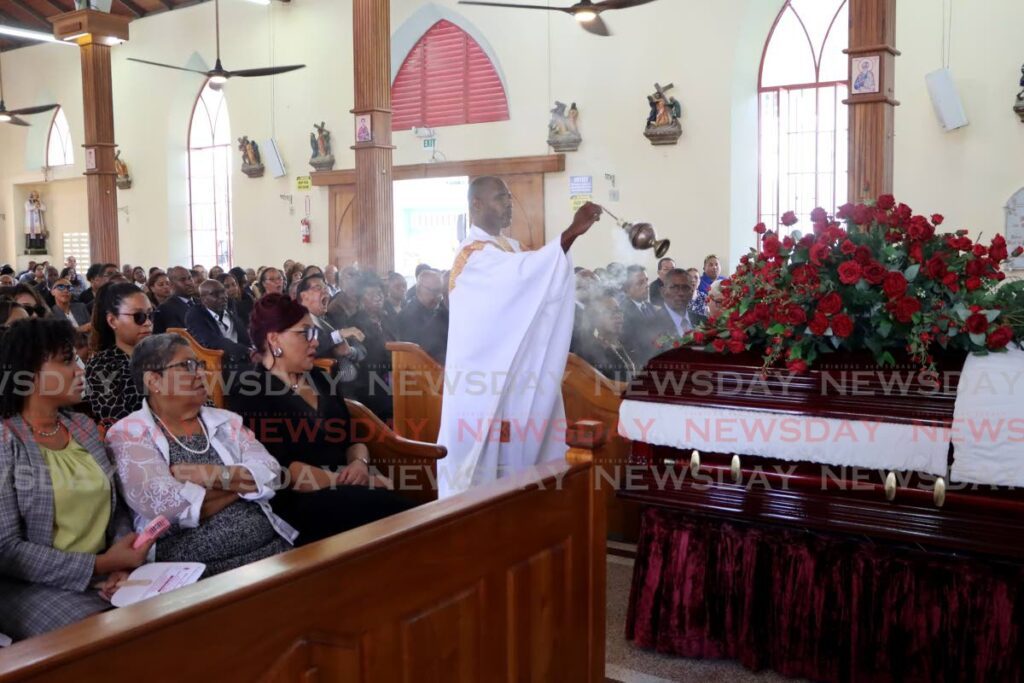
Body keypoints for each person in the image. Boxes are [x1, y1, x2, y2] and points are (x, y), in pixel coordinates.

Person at [436, 176, 601, 498]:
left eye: (509, 197)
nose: (509, 203)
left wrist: (563, 245)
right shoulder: (472, 255)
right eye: (500, 198)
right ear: (476, 205)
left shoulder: (510, 248)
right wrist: (569, 234)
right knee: (481, 476)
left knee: (518, 470)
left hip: (514, 377)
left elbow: (540, 282)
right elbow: (526, 276)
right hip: (481, 383)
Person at [0, 319, 153, 641]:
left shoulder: (82, 426)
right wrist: (98, 565)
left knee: (175, 615)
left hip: (108, 572)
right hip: (32, 586)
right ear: (29, 372)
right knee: (109, 640)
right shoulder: (6, 442)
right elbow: (7, 550)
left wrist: (120, 560)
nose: (81, 369)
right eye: (68, 360)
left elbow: (117, 505)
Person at [227, 295, 413, 545]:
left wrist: (359, 463)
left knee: (409, 512)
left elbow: (352, 439)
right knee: (397, 514)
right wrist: (359, 482)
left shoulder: (319, 377)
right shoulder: (250, 391)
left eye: (315, 332)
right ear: (274, 339)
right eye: (305, 333)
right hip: (300, 498)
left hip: (348, 483)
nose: (316, 341)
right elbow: (281, 470)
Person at [107, 334, 296, 576]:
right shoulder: (128, 434)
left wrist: (209, 474)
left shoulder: (226, 421)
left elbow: (271, 473)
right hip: (197, 574)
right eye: (186, 366)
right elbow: (168, 510)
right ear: (154, 381)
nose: (200, 373)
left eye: (199, 364)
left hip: (271, 549)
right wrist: (241, 485)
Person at [85, 283, 154, 429]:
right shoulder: (102, 365)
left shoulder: (165, 355)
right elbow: (118, 422)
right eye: (139, 317)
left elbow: (203, 403)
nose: (148, 323)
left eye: (150, 315)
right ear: (112, 321)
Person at [347, 277, 397, 421]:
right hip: (369, 379)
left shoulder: (389, 318)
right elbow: (367, 357)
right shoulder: (354, 323)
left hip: (393, 373)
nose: (378, 297)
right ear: (361, 300)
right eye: (371, 294)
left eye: (380, 292)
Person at [185, 278, 252, 364]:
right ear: (203, 299)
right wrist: (246, 351)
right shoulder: (196, 314)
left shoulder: (230, 307)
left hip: (243, 359)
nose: (223, 296)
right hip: (219, 364)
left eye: (223, 292)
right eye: (215, 294)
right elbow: (211, 341)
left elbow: (244, 336)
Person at [575, 292, 638, 382]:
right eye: (609, 311)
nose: (617, 316)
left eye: (618, 311)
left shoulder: (625, 343)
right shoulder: (587, 352)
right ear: (593, 318)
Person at [395, 269, 449, 364]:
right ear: (419, 288)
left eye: (440, 292)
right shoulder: (407, 316)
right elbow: (420, 349)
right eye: (434, 291)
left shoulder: (439, 311)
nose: (437, 296)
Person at [153, 266, 197, 333]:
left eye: (190, 278)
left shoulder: (202, 302)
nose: (189, 283)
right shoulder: (165, 309)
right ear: (171, 284)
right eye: (183, 280)